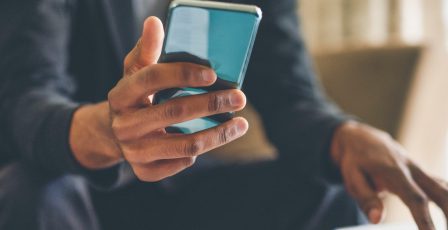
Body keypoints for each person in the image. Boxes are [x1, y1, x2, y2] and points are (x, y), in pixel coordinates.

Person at [0, 0, 447, 229]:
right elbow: (27, 93)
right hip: (83, 180)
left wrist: (344, 134)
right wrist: (108, 134)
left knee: (329, 190)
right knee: (32, 193)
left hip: (187, 183)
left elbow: (289, 94)